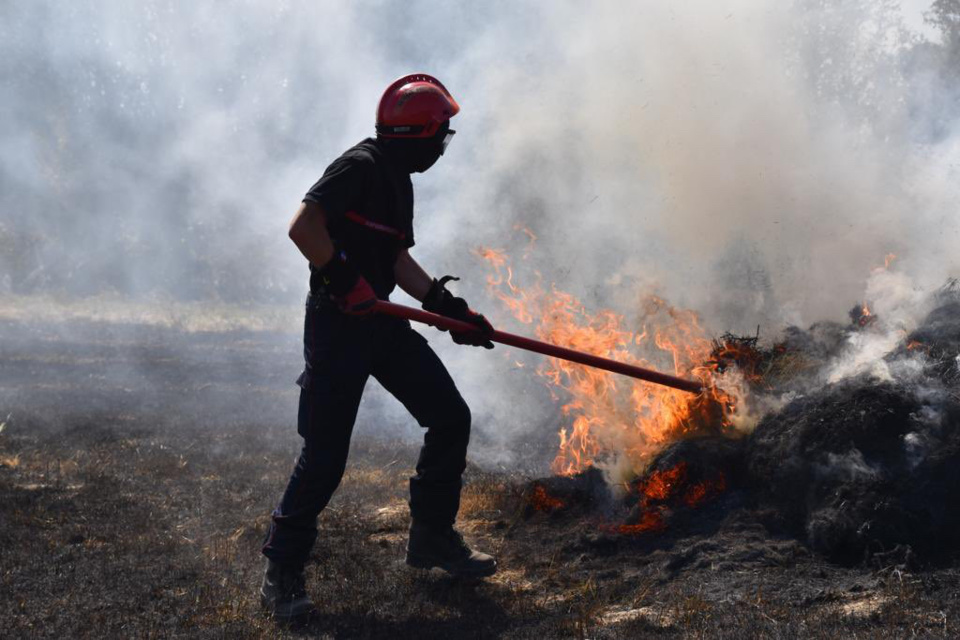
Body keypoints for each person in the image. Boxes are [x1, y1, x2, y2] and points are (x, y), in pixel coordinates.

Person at [260, 73, 497, 621]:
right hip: (337, 324)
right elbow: (303, 227)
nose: (444, 144)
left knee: (449, 416)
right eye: (442, 133)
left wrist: (450, 310)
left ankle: (432, 537)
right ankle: (282, 572)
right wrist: (345, 279)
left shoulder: (398, 180)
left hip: (382, 325)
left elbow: (395, 262)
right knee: (324, 457)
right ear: (417, 134)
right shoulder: (359, 167)